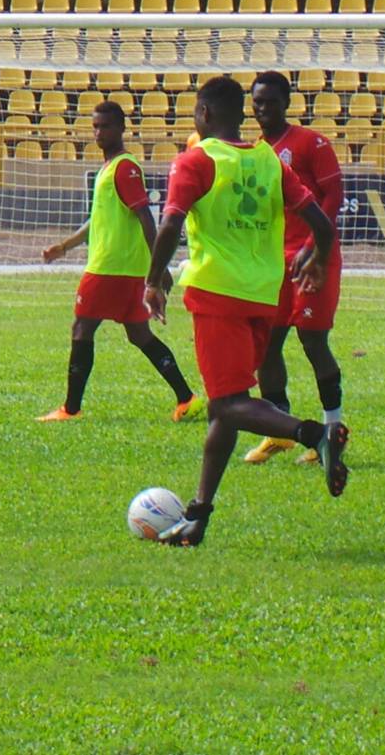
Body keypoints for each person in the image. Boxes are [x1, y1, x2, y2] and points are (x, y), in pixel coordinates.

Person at [143, 76, 339, 547]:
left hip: (218, 295)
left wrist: (153, 282)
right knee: (223, 410)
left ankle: (315, 434)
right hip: (262, 296)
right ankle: (197, 516)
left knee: (230, 403)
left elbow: (171, 221)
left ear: (205, 114)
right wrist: (317, 259)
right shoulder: (268, 161)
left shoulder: (197, 160)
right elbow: (321, 222)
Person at [37, 101, 202, 423]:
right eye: (96, 126)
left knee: (82, 328)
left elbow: (146, 217)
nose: (100, 133)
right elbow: (98, 219)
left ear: (122, 129)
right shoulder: (109, 167)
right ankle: (187, 398)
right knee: (139, 335)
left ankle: (70, 409)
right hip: (125, 269)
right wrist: (65, 246)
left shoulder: (125, 167)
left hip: (111, 268)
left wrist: (161, 267)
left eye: (106, 126)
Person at [243, 71, 350, 495]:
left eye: (270, 101)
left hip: (314, 258)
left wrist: (313, 247)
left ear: (286, 103)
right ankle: (280, 427)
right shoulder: (254, 153)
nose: (262, 109)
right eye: (257, 102)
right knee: (267, 343)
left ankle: (333, 427)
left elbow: (333, 196)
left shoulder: (310, 143)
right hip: (272, 263)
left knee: (312, 342)